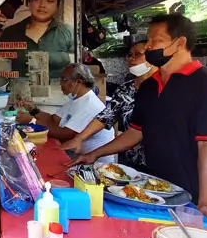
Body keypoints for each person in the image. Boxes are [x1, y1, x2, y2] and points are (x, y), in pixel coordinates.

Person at [73, 14, 207, 231]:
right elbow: (135, 132)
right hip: (163, 194)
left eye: (156, 40)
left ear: (180, 43)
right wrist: (95, 154)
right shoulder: (150, 87)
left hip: (205, 202)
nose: (149, 46)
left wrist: (206, 201)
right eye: (148, 40)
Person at [61, 41, 157, 171]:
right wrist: (79, 138)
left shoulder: (164, 88)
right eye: (129, 55)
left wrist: (94, 153)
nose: (131, 58)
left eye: (137, 54)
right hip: (132, 162)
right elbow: (105, 117)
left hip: (161, 162)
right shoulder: (126, 89)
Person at [17, 63, 115, 162]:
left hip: (94, 163)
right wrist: (33, 110)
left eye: (64, 79)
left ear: (78, 82)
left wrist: (32, 121)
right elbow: (53, 120)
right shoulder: (76, 100)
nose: (60, 83)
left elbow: (65, 134)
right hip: (78, 155)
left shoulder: (89, 104)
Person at [0, 0, 73, 78]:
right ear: (29, 3)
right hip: (20, 90)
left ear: (57, 6)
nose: (42, 5)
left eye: (50, 1)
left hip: (59, 90)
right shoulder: (10, 33)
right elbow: (1, 67)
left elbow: (76, 64)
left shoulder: (68, 32)